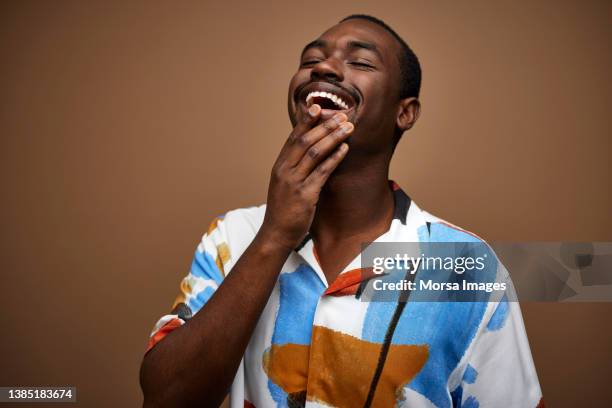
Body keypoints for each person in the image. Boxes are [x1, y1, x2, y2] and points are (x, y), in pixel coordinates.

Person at [139, 15, 543, 408]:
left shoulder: (465, 265)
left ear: (405, 113)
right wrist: (275, 235)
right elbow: (165, 400)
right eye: (311, 61)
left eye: (361, 62)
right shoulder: (231, 236)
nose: (325, 68)